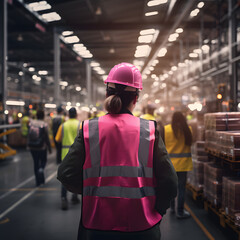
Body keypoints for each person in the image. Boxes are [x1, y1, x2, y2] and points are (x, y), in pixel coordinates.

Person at [57, 62, 178, 239]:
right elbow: (170, 182)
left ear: (107, 94)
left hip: (95, 227)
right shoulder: (149, 130)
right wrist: (158, 211)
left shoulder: (89, 129)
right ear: (136, 98)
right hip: (142, 227)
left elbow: (66, 173)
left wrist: (93, 192)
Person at [164, 111, 193, 219]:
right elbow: (191, 143)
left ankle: (172, 208)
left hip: (170, 165)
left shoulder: (166, 129)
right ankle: (180, 212)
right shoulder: (188, 130)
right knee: (181, 189)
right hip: (183, 165)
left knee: (172, 188)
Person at [55, 107, 81, 210]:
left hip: (65, 154)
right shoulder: (80, 125)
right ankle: (75, 197)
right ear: (76, 115)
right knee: (77, 176)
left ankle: (63, 198)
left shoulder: (63, 125)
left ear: (68, 115)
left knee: (65, 178)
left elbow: (57, 139)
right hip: (78, 154)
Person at [28, 109, 52, 186]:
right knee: (43, 161)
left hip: (32, 146)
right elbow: (46, 137)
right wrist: (49, 148)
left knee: (35, 163)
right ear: (43, 116)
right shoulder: (44, 124)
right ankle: (41, 170)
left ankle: (38, 181)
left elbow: (28, 135)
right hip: (42, 147)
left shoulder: (31, 123)